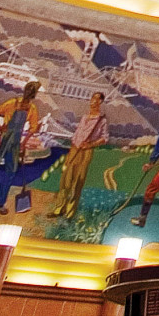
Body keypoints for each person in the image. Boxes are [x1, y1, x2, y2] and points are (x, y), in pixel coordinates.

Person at [0, 79, 41, 217]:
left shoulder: (32, 109)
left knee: (11, 173)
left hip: (15, 143)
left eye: (32, 92)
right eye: (28, 90)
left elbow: (33, 127)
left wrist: (24, 143)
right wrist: (0, 128)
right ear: (25, 91)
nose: (29, 94)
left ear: (34, 94)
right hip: (2, 140)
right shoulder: (12, 103)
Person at [55, 92, 108, 222]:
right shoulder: (85, 117)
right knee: (66, 179)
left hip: (86, 151)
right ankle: (59, 208)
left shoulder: (101, 120)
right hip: (75, 149)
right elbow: (78, 132)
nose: (94, 101)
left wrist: (91, 144)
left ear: (100, 102)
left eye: (97, 99)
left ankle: (70, 212)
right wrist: (74, 143)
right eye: (93, 98)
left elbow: (105, 138)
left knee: (78, 181)